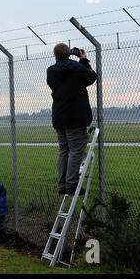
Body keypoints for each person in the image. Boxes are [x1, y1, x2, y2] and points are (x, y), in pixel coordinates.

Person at [46, 43, 97, 195]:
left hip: (59, 116)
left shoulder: (51, 71)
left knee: (63, 150)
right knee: (75, 151)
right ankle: (72, 184)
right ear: (69, 54)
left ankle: (63, 184)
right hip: (76, 117)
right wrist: (83, 60)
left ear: (55, 56)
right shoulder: (77, 68)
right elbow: (92, 76)